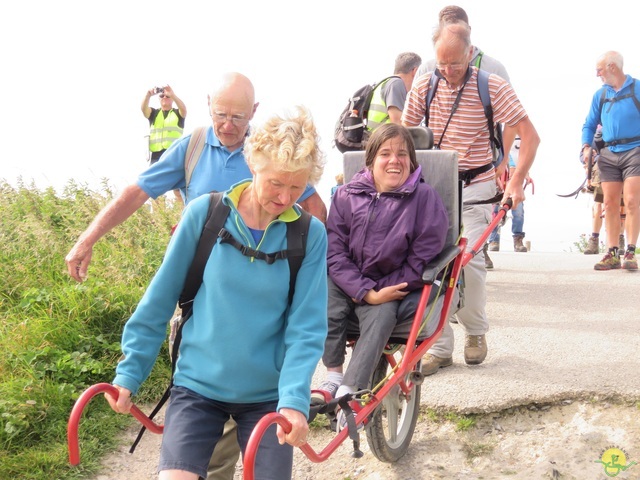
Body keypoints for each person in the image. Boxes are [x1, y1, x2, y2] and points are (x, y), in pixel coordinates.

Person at [66, 73, 328, 480]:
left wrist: (294, 399)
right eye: (276, 182)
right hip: (197, 388)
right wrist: (129, 373)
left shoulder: (309, 235)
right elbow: (160, 298)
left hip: (266, 396)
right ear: (253, 164)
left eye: (296, 188)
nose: (284, 197)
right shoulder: (204, 215)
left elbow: (306, 327)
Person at [402, 22, 540, 375]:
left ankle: (476, 333)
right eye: (441, 64)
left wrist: (517, 181)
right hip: (434, 184)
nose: (447, 72)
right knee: (430, 264)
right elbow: (402, 135)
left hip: (476, 183)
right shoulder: (425, 82)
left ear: (469, 52)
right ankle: (440, 345)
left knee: (469, 262)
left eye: (455, 64)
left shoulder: (490, 84)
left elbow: (531, 136)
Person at [311, 124, 448, 418]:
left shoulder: (424, 199)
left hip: (391, 284)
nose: (394, 160)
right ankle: (332, 375)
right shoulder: (346, 195)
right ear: (371, 160)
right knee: (323, 295)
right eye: (385, 153)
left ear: (412, 161)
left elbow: (421, 261)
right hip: (348, 281)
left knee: (383, 314)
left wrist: (377, 293)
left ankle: (350, 389)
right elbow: (334, 252)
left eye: (402, 154)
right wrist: (363, 291)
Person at [414, 6, 511, 271]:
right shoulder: (427, 69)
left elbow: (513, 121)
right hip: (439, 170)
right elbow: (411, 124)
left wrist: (504, 163)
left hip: (480, 167)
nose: (447, 69)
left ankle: (477, 254)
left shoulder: (493, 68)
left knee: (470, 252)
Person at [581, 52, 638, 271]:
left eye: (600, 69)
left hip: (635, 149)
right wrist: (586, 147)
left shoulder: (637, 88)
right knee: (609, 203)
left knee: (632, 201)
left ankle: (630, 251)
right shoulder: (600, 95)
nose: (597, 74)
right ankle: (612, 252)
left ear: (612, 67)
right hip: (609, 152)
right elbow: (589, 123)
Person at [487, 136, 532, 254]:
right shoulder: (500, 133)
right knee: (496, 211)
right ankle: (493, 240)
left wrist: (526, 173)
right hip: (501, 176)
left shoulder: (523, 135)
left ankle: (518, 240)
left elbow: (524, 156)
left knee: (518, 212)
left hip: (515, 178)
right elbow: (502, 153)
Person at [366, 52, 422, 132]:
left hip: (376, 138)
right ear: (415, 71)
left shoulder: (385, 83)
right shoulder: (396, 84)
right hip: (385, 140)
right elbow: (398, 124)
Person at [142, 85, 187, 165]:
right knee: (153, 177)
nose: (164, 97)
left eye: (167, 96)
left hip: (174, 154)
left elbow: (183, 109)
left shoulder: (178, 113)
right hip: (156, 156)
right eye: (162, 96)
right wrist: (148, 95)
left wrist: (172, 94)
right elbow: (143, 109)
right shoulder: (153, 113)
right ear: (159, 99)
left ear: (172, 99)